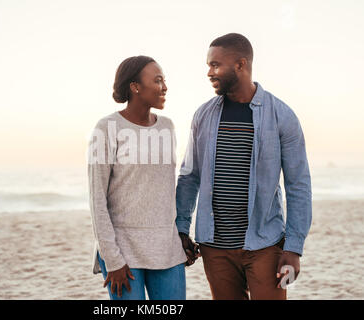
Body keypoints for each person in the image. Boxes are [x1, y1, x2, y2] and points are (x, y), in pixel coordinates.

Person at [176, 33, 312, 300]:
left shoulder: (281, 116)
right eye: (208, 65)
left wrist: (294, 249)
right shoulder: (203, 116)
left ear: (240, 65)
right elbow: (189, 176)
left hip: (265, 245)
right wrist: (181, 228)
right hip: (215, 247)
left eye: (215, 65)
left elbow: (299, 185)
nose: (209, 72)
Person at [87, 55, 187, 300]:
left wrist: (182, 233)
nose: (164, 87)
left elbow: (171, 186)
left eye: (164, 80)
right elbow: (96, 199)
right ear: (135, 87)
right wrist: (112, 259)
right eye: (158, 80)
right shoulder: (107, 127)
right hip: (123, 250)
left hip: (166, 248)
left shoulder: (167, 126)